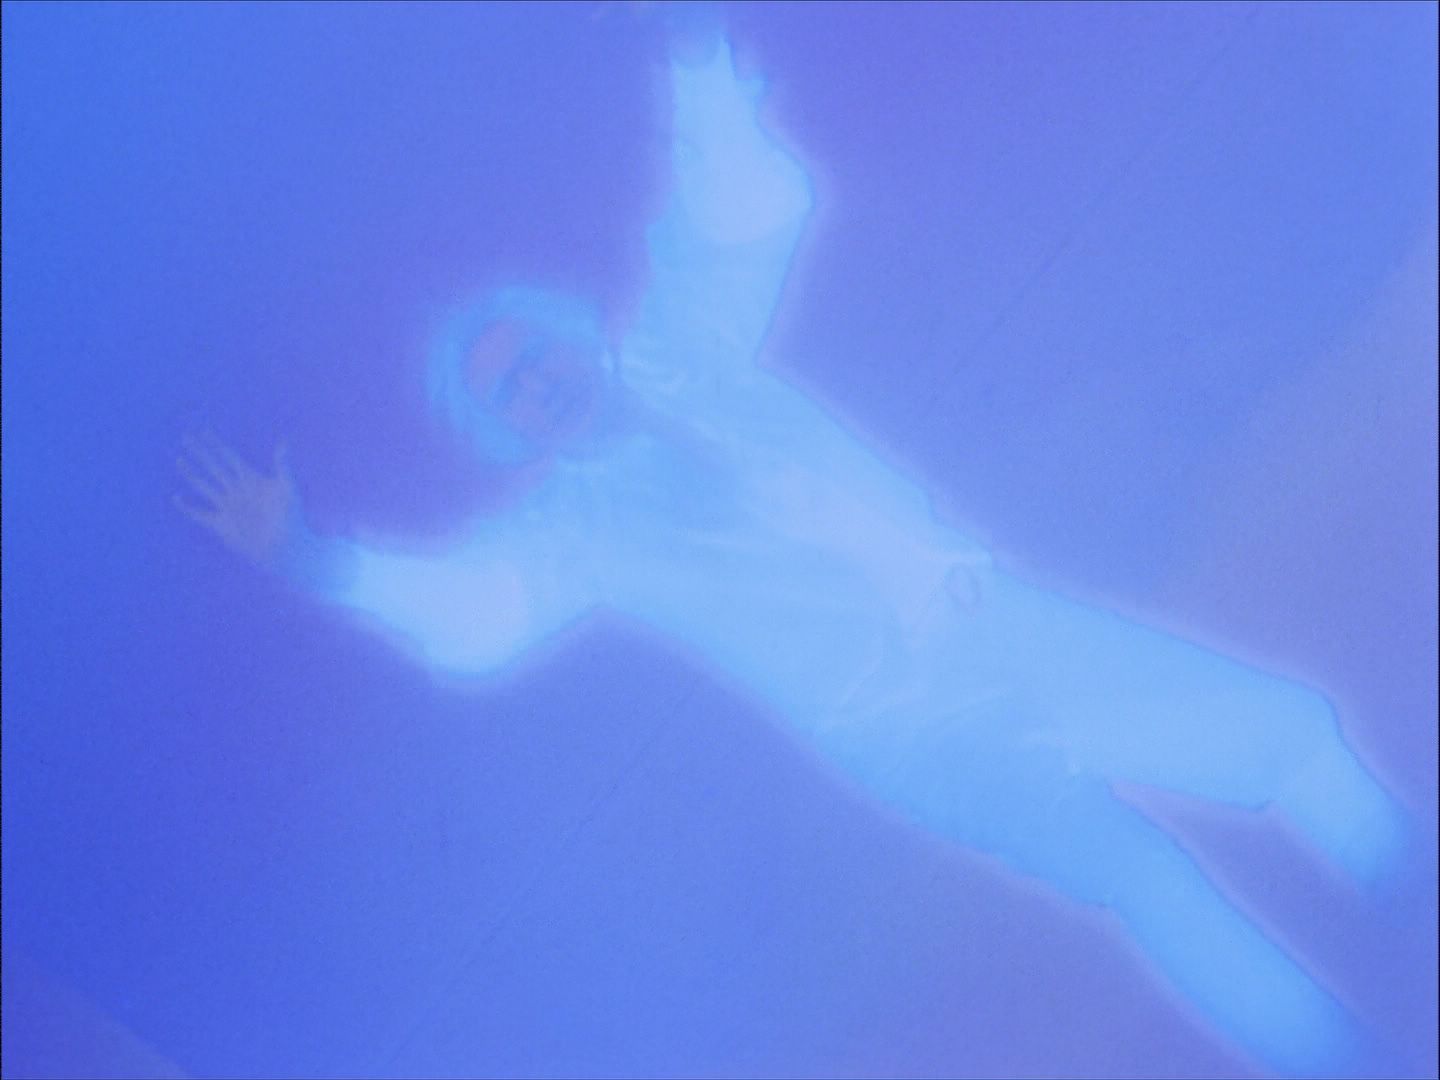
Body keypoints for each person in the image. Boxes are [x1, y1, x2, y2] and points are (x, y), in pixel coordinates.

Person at [176, 16, 1410, 1077]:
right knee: (1142, 876)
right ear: (509, 430)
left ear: (568, 333)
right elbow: (475, 612)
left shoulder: (682, 348)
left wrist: (693, 40)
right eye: (516, 392)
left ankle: (1417, 905)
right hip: (901, 725)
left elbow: (731, 210)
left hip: (987, 615)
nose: (544, 384)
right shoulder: (569, 531)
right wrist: (314, 558)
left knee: (1288, 731)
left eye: (537, 355)